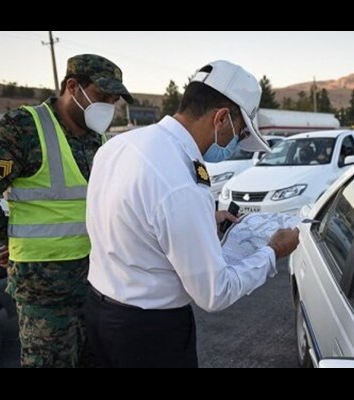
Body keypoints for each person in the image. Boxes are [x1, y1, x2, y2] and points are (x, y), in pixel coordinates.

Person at [85, 60, 300, 368]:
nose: (234, 143)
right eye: (240, 133)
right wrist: (272, 252)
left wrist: (200, 222)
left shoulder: (119, 145)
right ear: (222, 118)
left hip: (100, 312)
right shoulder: (182, 183)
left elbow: (128, 217)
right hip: (149, 336)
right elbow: (215, 294)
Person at [0, 54, 133, 368]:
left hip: (97, 287)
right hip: (46, 296)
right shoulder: (24, 128)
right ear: (72, 87)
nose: (108, 105)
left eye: (114, 99)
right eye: (101, 96)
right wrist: (13, 238)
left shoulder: (101, 139)